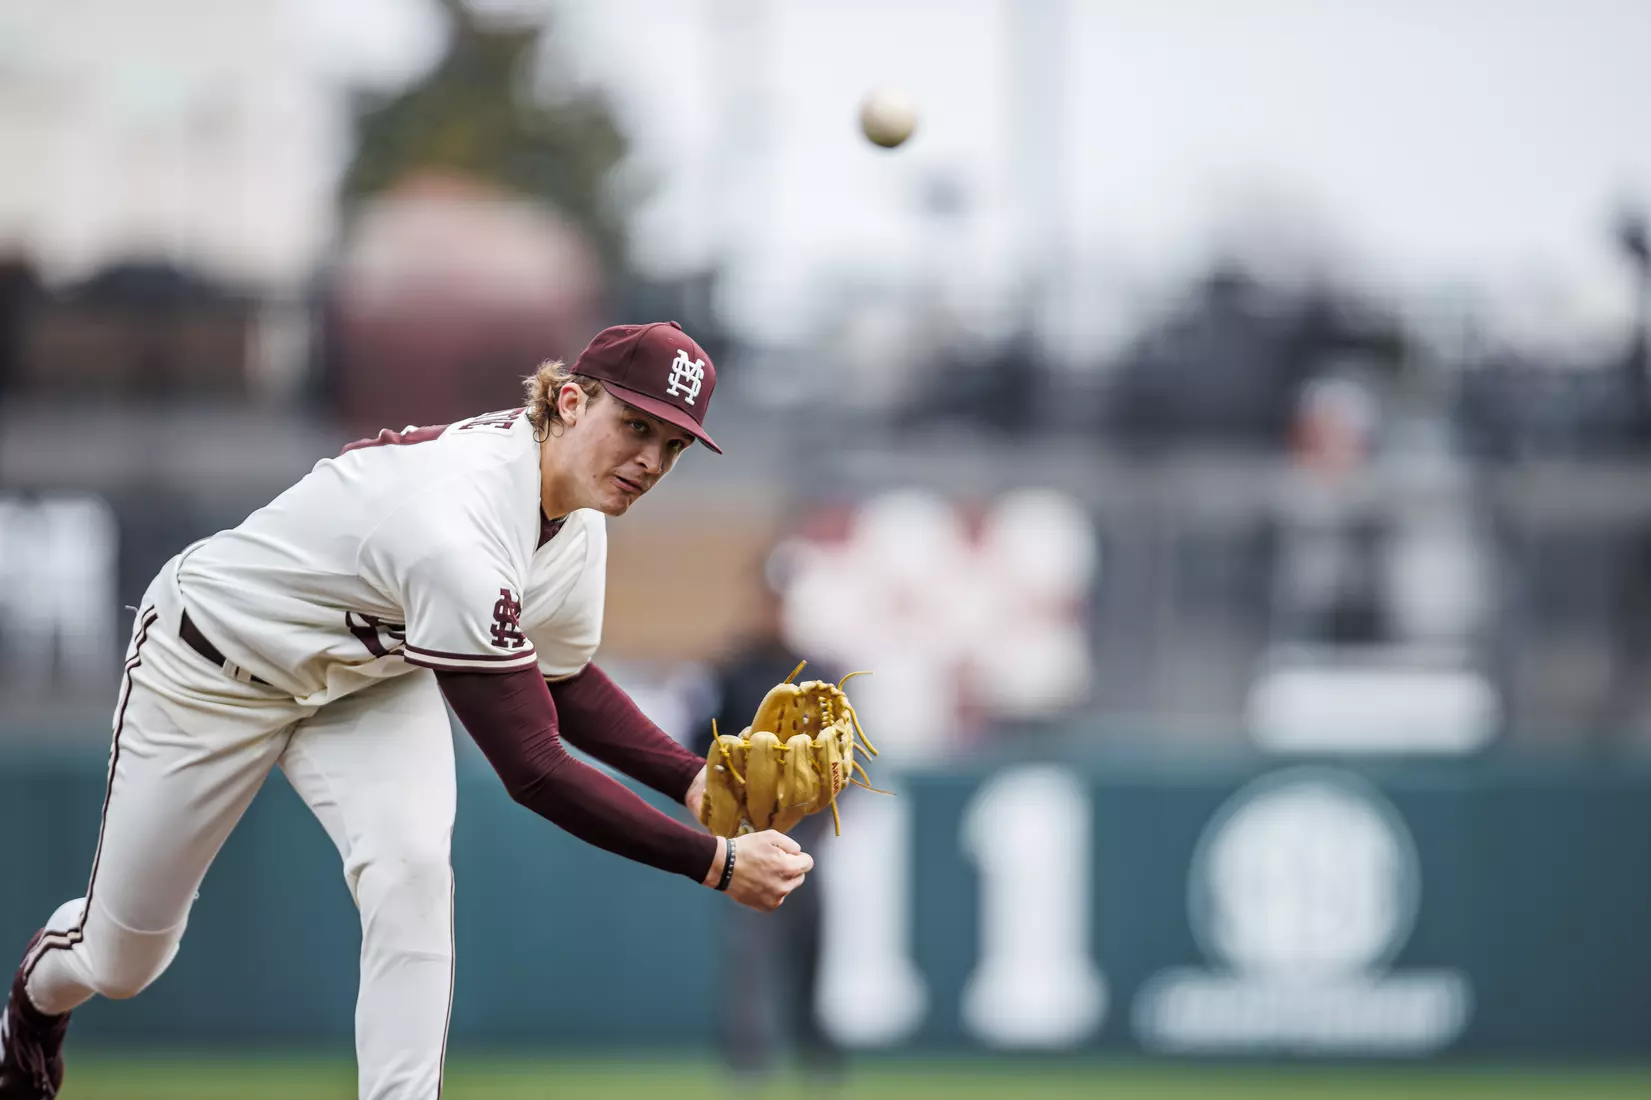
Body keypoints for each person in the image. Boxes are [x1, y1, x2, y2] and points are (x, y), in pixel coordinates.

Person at [0, 321, 813, 1100]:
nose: (650, 459)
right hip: (212, 665)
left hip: (366, 679)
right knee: (122, 961)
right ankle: (35, 1000)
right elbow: (533, 767)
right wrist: (715, 863)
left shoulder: (574, 516)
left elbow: (562, 680)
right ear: (570, 401)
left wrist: (688, 777)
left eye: (672, 445)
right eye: (636, 425)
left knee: (413, 870)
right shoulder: (458, 523)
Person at [696, 564, 845, 1087]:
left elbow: (844, 761)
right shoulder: (733, 671)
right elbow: (699, 746)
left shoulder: (820, 673)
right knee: (750, 948)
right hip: (748, 831)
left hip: (804, 834)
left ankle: (814, 1051)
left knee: (809, 944)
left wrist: (822, 822)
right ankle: (750, 1058)